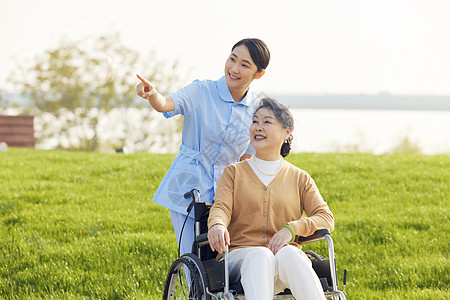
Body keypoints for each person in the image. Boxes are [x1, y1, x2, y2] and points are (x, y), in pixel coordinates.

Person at [136, 38, 270, 256]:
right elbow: (166, 104)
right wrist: (152, 94)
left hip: (226, 196)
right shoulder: (201, 90)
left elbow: (247, 159)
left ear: (258, 74)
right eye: (232, 59)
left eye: (245, 65)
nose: (234, 69)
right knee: (193, 259)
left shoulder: (256, 110)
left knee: (223, 265)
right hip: (188, 189)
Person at [208, 98, 334, 300]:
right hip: (240, 259)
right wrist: (217, 225)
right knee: (261, 255)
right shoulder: (233, 173)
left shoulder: (300, 178)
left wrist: (292, 228)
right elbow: (221, 207)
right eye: (255, 121)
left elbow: (325, 217)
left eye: (267, 122)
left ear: (287, 132)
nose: (258, 127)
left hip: (284, 261)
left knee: (292, 254)